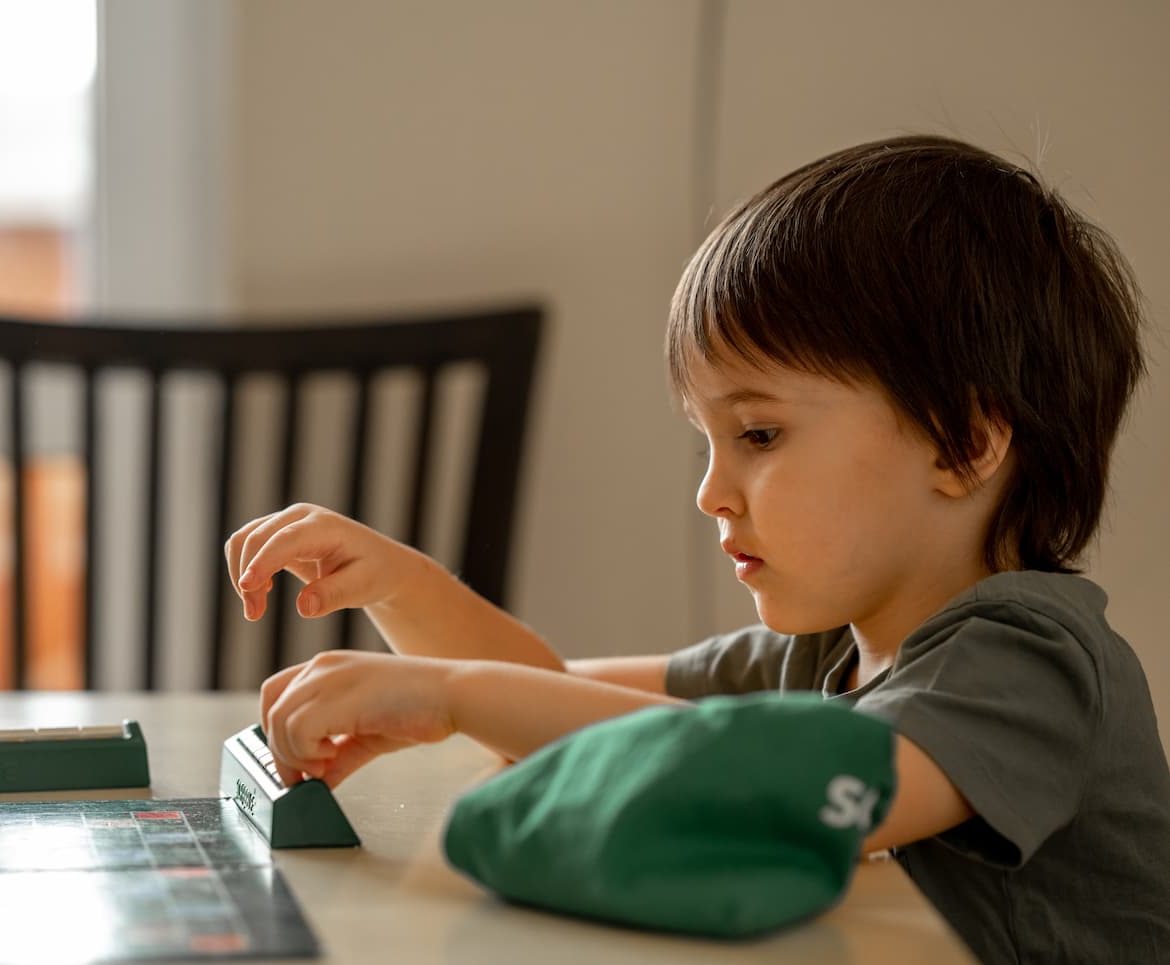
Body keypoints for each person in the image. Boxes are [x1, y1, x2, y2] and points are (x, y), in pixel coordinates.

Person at [224, 135, 1170, 962]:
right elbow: (557, 695)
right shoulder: (828, 652)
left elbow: (759, 783)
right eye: (707, 442)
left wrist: (452, 694)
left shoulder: (1031, 660)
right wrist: (398, 582)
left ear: (964, 443)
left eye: (758, 435)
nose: (711, 493)